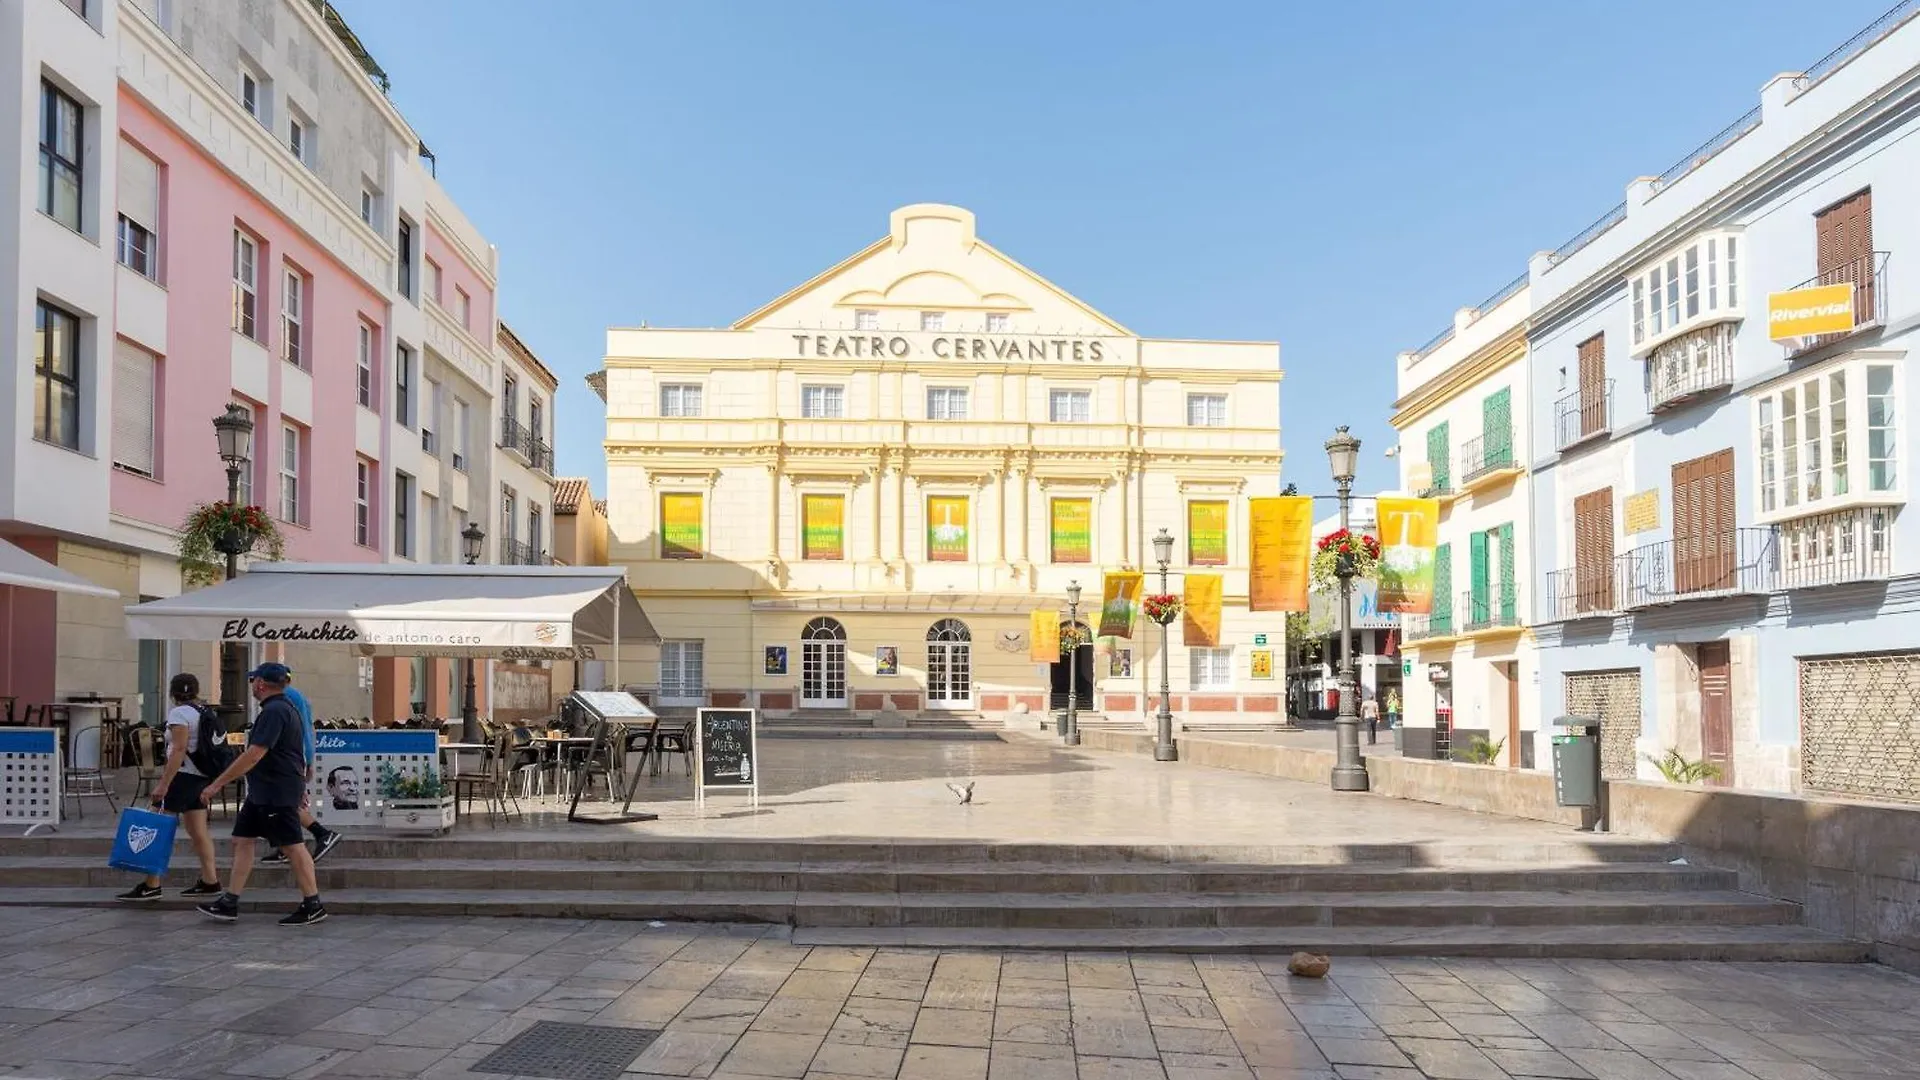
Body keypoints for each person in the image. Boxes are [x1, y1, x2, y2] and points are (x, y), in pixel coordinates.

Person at [196, 663, 329, 926]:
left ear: (260, 684)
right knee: (241, 839)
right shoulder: (282, 708)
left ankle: (313, 904)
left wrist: (217, 784)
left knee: (293, 846)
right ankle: (230, 901)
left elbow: (254, 754)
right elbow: (292, 751)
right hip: (265, 790)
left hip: (274, 790)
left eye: (252, 680)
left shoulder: (275, 711)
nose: (252, 685)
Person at [115, 674, 222, 902]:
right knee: (198, 831)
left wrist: (164, 783)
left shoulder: (178, 714)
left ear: (172, 693)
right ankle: (210, 880)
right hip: (199, 777)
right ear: (196, 690)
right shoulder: (202, 710)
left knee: (157, 828)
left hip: (181, 777)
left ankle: (151, 884)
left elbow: (179, 749)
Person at [259, 671, 340, 866]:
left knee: (287, 804)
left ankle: (322, 834)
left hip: (290, 755)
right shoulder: (296, 695)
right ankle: (285, 846)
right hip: (297, 753)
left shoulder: (286, 697)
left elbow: (296, 727)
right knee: (284, 804)